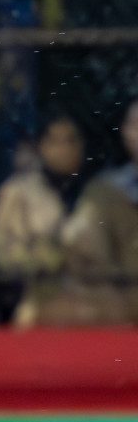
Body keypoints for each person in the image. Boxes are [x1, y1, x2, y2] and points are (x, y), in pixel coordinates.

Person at [0, 115, 91, 325]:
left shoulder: (95, 193)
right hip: (35, 308)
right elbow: (5, 255)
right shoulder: (18, 193)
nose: (62, 150)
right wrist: (53, 257)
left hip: (91, 307)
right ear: (41, 147)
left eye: (70, 141)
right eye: (54, 141)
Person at [58, 98, 138, 323]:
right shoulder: (104, 193)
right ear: (126, 132)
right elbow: (86, 253)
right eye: (136, 125)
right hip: (121, 317)